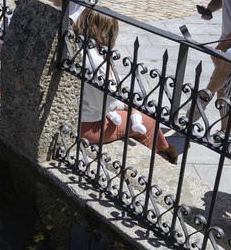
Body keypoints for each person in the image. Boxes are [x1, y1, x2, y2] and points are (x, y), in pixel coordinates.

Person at [74, 8, 178, 163]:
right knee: (149, 123)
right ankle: (161, 156)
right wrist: (126, 105)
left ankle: (163, 150)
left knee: (141, 117)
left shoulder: (76, 42)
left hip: (79, 116)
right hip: (87, 126)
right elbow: (107, 105)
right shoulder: (96, 61)